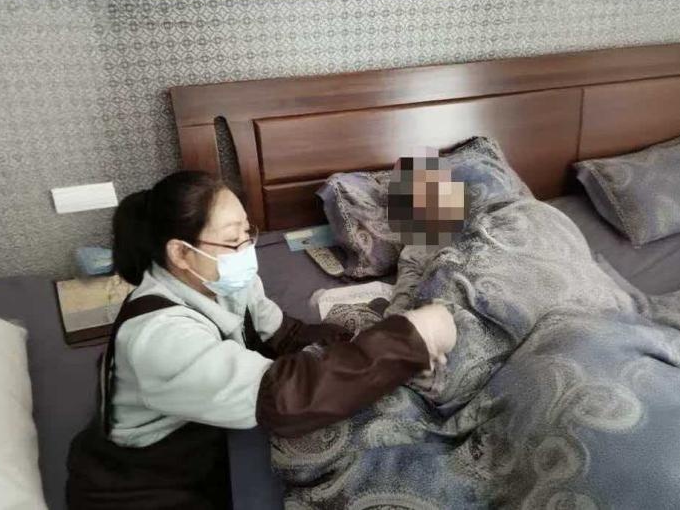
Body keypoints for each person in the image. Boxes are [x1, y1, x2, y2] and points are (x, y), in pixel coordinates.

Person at [66, 170, 457, 510]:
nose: (246, 248)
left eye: (247, 231)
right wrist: (408, 338)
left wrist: (363, 343)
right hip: (148, 484)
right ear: (181, 254)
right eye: (232, 239)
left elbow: (285, 333)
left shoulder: (224, 279)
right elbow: (283, 398)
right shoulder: (159, 337)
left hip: (209, 439)